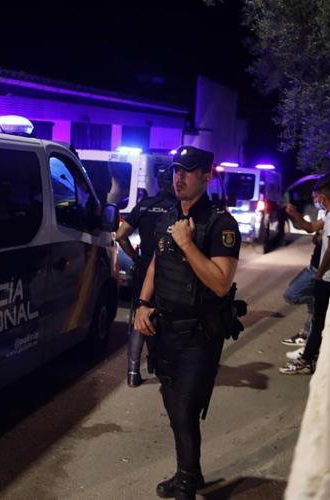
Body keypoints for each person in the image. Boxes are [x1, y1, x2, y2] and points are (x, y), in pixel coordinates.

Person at [134, 146, 241, 500]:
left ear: (206, 176)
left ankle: (186, 483)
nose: (178, 176)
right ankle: (190, 473)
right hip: (165, 329)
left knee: (185, 408)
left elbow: (221, 283)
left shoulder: (221, 223)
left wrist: (187, 244)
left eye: (188, 170)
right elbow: (156, 263)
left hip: (199, 333)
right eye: (176, 169)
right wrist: (142, 304)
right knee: (173, 405)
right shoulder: (168, 215)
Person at [116, 166, 176, 387]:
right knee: (168, 316)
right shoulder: (177, 207)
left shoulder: (144, 205)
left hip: (144, 268)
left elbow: (120, 235)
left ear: (158, 183)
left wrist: (135, 257)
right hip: (170, 270)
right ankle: (161, 365)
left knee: (139, 316)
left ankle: (133, 372)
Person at [280, 174, 330, 375]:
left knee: (319, 321)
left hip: (328, 277)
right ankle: (310, 355)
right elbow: (309, 228)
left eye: (316, 196)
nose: (315, 200)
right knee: (320, 320)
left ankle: (307, 360)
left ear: (323, 196)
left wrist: (320, 273)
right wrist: (294, 213)